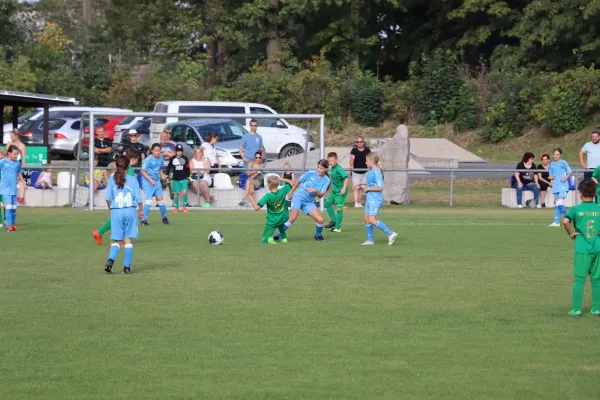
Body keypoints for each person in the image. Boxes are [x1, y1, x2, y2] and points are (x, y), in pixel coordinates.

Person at [562, 179, 600, 316]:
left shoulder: (577, 209)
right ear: (595, 193)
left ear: (580, 193)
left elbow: (565, 221)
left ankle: (576, 310)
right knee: (596, 280)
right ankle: (596, 309)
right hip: (597, 247)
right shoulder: (598, 209)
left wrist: (571, 233)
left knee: (579, 279)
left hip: (582, 248)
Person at [273, 159, 331, 242]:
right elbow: (298, 181)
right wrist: (291, 192)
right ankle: (277, 236)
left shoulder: (326, 180)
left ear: (326, 169)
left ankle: (318, 237)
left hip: (308, 202)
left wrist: (315, 190)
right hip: (298, 197)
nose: (319, 170)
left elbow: (321, 195)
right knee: (292, 218)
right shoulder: (311, 173)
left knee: (320, 220)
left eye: (321, 168)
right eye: (318, 167)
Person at [104, 155, 143, 274]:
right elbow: (138, 198)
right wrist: (141, 210)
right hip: (130, 211)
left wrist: (111, 209)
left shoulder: (111, 180)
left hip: (117, 211)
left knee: (116, 240)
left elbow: (108, 198)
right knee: (128, 241)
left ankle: (110, 261)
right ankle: (126, 268)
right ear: (128, 166)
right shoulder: (132, 179)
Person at [92, 148, 140, 245]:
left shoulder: (122, 168)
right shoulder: (129, 170)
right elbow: (127, 184)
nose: (137, 161)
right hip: (123, 198)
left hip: (117, 196)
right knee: (121, 219)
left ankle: (99, 233)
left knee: (117, 218)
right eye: (137, 159)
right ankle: (114, 241)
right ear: (133, 159)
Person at [355, 152, 398, 245]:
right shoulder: (370, 171)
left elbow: (380, 187)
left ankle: (390, 233)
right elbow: (370, 182)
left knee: (372, 220)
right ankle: (370, 240)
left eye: (367, 161)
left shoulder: (377, 171)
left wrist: (368, 188)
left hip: (375, 199)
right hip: (369, 199)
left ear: (372, 161)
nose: (365, 163)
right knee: (366, 218)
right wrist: (361, 183)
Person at [249, 174, 295, 244]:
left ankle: (269, 239)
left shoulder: (268, 196)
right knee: (280, 224)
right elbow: (292, 183)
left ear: (270, 185)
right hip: (283, 217)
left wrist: (251, 196)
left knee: (265, 238)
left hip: (273, 220)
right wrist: (282, 179)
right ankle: (284, 238)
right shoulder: (283, 190)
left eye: (267, 183)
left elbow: (256, 208)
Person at [140, 143, 169, 226]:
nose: (157, 152)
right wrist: (150, 180)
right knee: (149, 200)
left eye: (159, 151)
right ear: (152, 151)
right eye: (155, 151)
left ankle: (164, 218)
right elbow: (142, 171)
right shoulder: (148, 159)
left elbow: (160, 169)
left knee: (160, 199)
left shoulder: (160, 159)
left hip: (156, 181)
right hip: (147, 182)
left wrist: (162, 175)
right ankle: (144, 220)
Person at [0, 145, 25, 232]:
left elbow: (19, 174)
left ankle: (13, 225)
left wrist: (23, 183)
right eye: (14, 154)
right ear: (9, 153)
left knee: (14, 207)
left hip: (13, 189)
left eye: (17, 154)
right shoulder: (3, 162)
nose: (16, 156)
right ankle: (9, 226)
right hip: (5, 188)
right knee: (9, 207)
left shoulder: (17, 163)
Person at [324, 152, 348, 232]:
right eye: (329, 161)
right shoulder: (332, 169)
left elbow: (346, 178)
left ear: (336, 160)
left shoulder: (339, 169)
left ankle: (338, 228)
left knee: (339, 209)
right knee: (327, 204)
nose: (331, 162)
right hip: (334, 192)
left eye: (332, 160)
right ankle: (334, 221)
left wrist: (344, 188)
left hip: (340, 193)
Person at [549, 148, 572, 227]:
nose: (556, 156)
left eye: (558, 154)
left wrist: (565, 177)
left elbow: (570, 172)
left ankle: (568, 217)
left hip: (563, 186)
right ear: (553, 155)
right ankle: (556, 222)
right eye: (555, 154)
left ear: (560, 155)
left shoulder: (563, 163)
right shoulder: (551, 164)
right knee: (557, 204)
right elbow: (550, 175)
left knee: (560, 203)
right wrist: (551, 177)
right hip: (555, 186)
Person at [167, 144, 191, 213]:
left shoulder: (185, 158)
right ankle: (176, 208)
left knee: (185, 191)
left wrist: (188, 177)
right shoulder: (172, 159)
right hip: (175, 178)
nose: (179, 152)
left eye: (180, 151)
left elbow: (187, 168)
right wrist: (166, 175)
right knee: (176, 193)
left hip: (184, 178)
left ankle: (184, 207)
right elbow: (169, 167)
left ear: (182, 151)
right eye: (178, 151)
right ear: (176, 151)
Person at [349, 135, 371, 208]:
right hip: (356, 172)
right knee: (356, 187)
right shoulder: (354, 150)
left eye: (361, 142)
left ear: (363, 142)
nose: (359, 143)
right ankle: (356, 203)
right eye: (358, 142)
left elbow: (370, 157)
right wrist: (352, 166)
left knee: (362, 188)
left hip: (365, 171)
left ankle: (359, 202)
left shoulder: (367, 150)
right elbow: (352, 159)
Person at [6, 129, 27, 203]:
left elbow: (23, 156)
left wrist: (22, 165)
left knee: (19, 180)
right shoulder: (9, 143)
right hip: (9, 165)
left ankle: (21, 197)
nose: (11, 138)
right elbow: (6, 154)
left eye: (12, 136)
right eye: (10, 136)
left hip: (17, 165)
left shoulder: (22, 145)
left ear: (16, 136)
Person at [159, 128, 177, 201]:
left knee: (172, 180)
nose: (163, 138)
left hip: (170, 168)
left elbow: (174, 154)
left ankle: (173, 199)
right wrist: (167, 153)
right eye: (162, 137)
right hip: (160, 168)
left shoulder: (172, 145)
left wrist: (162, 154)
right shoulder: (157, 145)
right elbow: (156, 154)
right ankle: (159, 202)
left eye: (165, 137)